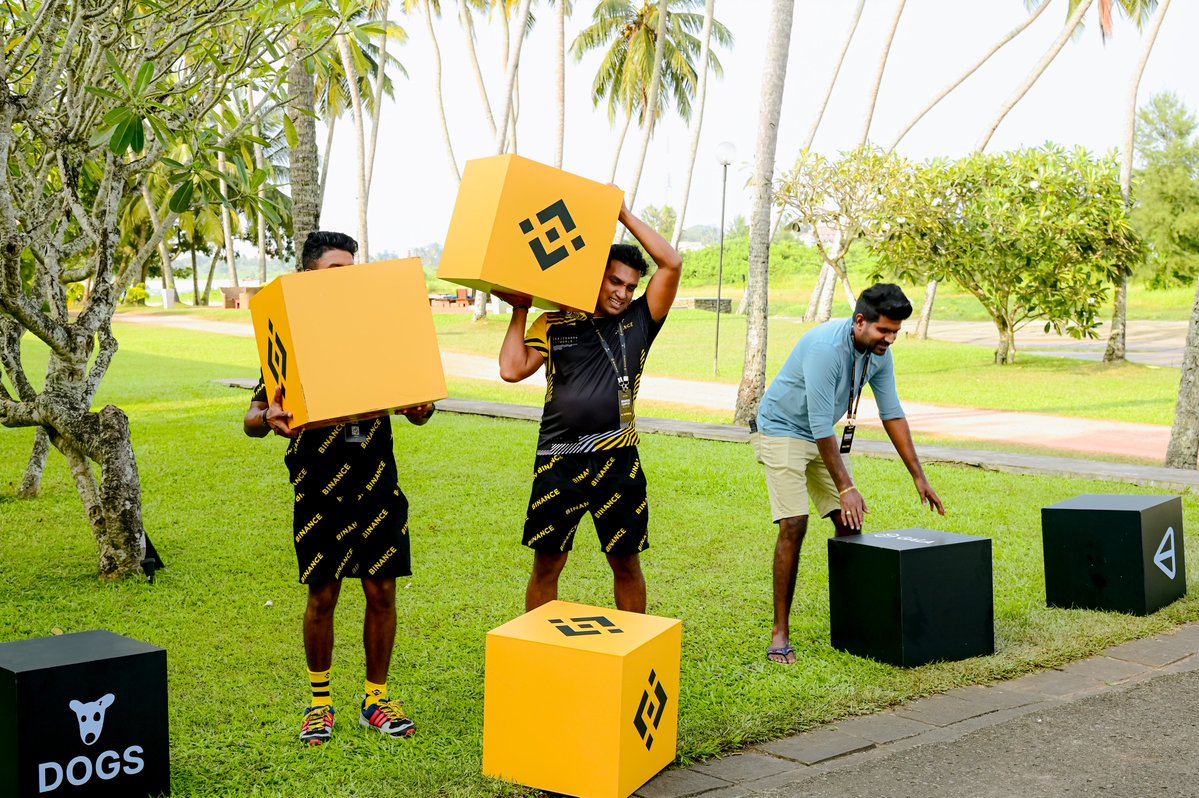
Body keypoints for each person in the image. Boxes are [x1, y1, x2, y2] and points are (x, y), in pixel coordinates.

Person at [243, 231, 435, 744]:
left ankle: (375, 699)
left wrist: (421, 408)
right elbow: (253, 415)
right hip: (318, 483)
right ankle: (320, 704)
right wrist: (269, 418)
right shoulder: (289, 337)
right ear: (307, 277)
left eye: (352, 269)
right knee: (322, 595)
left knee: (383, 589)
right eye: (335, 271)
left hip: (377, 483)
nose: (346, 280)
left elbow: (419, 407)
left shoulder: (377, 332)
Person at [496, 200, 682, 614]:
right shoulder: (554, 322)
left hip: (618, 461)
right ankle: (539, 651)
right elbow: (511, 369)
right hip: (557, 460)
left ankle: (631, 649)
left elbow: (671, 263)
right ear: (596, 276)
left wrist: (623, 215)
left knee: (626, 562)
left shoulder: (641, 319)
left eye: (631, 286)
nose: (622, 293)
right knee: (548, 562)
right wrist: (521, 308)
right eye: (615, 281)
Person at [752, 283, 945, 664]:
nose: (890, 339)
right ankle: (779, 633)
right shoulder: (826, 349)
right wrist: (847, 486)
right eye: (883, 331)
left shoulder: (879, 354)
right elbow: (821, 424)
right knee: (794, 524)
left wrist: (918, 476)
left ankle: (853, 620)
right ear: (860, 321)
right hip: (782, 429)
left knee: (850, 524)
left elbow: (892, 413)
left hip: (820, 433)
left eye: (895, 333)